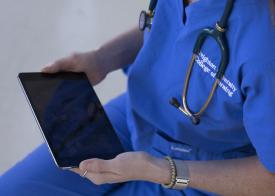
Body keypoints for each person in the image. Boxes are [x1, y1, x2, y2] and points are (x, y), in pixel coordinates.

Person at [1, 0, 275, 195]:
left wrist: (163, 171)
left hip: (208, 169)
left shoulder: (265, 41)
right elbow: (168, 24)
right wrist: (101, 59)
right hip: (138, 117)